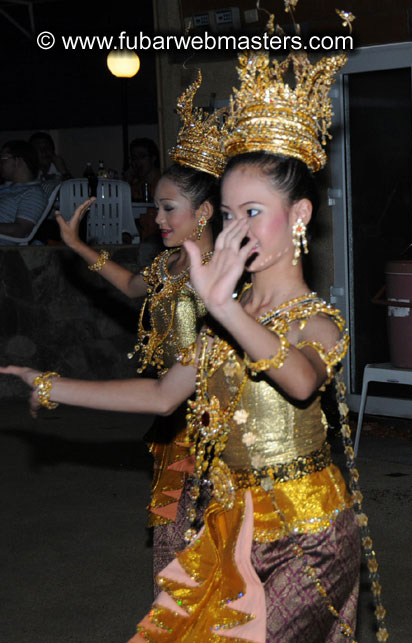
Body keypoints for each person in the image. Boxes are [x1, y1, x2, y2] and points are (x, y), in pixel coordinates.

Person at [1, 35, 388, 642]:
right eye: (231, 214)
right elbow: (160, 395)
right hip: (228, 526)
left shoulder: (317, 318)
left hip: (309, 538)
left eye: (255, 211)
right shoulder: (222, 314)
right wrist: (52, 385)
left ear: (302, 217)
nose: (238, 229)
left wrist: (220, 308)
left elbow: (301, 380)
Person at [54, 70, 222, 581]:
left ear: (206, 211)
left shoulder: (220, 275)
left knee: (217, 542)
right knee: (172, 539)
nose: (158, 219)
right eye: (156, 208)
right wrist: (81, 247)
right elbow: (130, 286)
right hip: (173, 419)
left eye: (169, 209)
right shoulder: (169, 264)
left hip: (215, 424)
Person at [0, 140, 47, 244]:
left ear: (18, 161)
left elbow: (20, 230)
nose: (1, 164)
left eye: (3, 160)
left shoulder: (33, 193)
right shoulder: (5, 188)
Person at [125, 137, 163, 242]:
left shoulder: (163, 183)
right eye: (134, 158)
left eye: (141, 157)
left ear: (153, 158)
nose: (137, 162)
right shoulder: (136, 186)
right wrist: (126, 181)